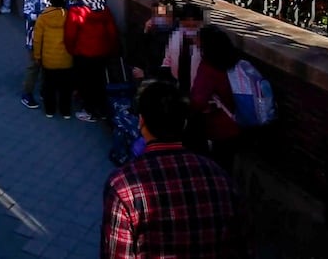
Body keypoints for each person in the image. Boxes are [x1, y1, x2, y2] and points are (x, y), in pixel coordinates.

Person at [100, 80, 249, 258]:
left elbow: (117, 253)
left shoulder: (123, 186)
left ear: (141, 122)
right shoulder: (220, 178)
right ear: (184, 124)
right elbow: (241, 247)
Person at [64, 0, 120, 122]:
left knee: (85, 83)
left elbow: (70, 34)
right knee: (99, 81)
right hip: (102, 51)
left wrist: (71, 49)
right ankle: (102, 110)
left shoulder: (76, 10)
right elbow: (111, 30)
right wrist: (111, 47)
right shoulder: (102, 7)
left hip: (83, 52)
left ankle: (89, 110)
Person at [189, 25, 242, 172]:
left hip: (218, 129)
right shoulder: (235, 62)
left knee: (218, 168)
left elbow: (198, 100)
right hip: (237, 123)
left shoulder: (209, 69)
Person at [33, 0, 74, 118]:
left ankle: (49, 110)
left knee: (49, 86)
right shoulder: (68, 15)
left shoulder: (43, 17)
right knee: (65, 87)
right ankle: (66, 111)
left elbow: (37, 39)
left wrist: (37, 56)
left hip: (49, 59)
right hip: (66, 58)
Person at [21, 0, 55, 109]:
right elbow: (28, 15)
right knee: (34, 67)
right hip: (34, 38)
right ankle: (27, 93)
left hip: (50, 39)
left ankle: (43, 91)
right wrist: (46, 16)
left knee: (47, 67)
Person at [161, 2, 204, 94]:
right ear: (181, 23)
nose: (190, 30)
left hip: (199, 89)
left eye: (194, 26)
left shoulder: (206, 40)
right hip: (178, 85)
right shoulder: (175, 36)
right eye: (187, 26)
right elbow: (168, 60)